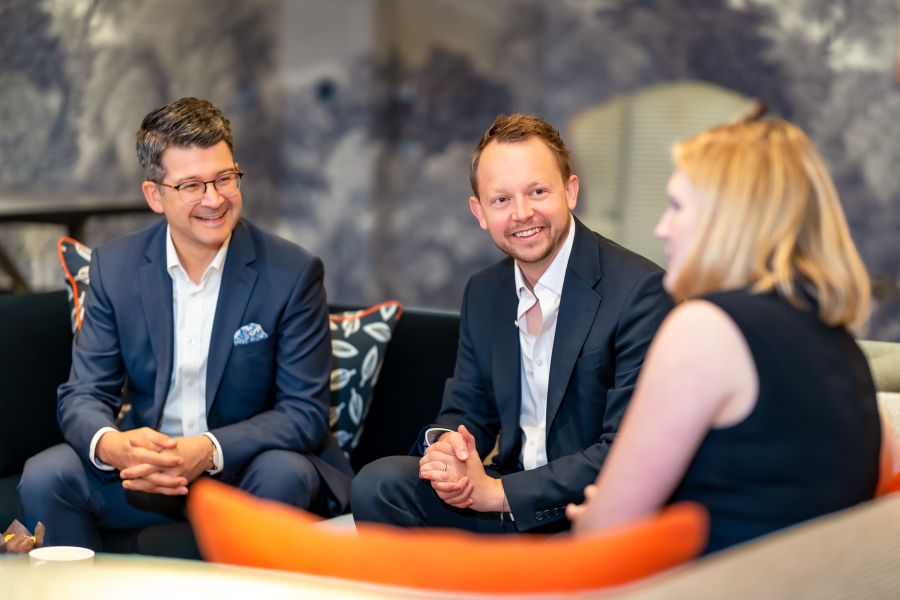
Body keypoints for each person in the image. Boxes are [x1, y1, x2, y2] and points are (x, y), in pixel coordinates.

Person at [18, 98, 354, 549]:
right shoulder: (115, 267)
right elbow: (84, 394)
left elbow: (304, 413)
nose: (214, 199)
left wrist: (208, 450)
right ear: (155, 195)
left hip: (243, 468)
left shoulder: (292, 272)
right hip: (147, 471)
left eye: (224, 179)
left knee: (285, 473)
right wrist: (112, 446)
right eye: (191, 185)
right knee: (45, 475)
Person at [568, 118, 897, 554]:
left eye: (678, 206)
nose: (661, 228)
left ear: (728, 218)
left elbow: (605, 531)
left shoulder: (704, 328)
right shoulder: (839, 344)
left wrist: (593, 513)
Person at [351, 114, 672, 533]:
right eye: (501, 200)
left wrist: (498, 495)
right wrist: (449, 449)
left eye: (537, 191)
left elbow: (626, 453)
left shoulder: (639, 291)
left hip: (584, 515)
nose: (522, 213)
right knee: (379, 485)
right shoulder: (484, 291)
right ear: (480, 212)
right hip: (505, 503)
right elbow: (468, 408)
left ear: (570, 191)